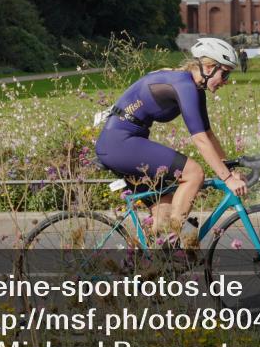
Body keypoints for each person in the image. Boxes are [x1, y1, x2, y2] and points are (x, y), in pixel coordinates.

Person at [95, 38, 246, 247]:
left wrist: (228, 167)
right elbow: (200, 140)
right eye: (225, 73)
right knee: (194, 173)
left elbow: (209, 134)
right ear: (210, 67)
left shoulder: (193, 88)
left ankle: (150, 265)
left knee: (164, 208)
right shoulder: (184, 86)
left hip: (122, 142)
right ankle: (178, 243)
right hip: (119, 143)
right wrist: (227, 179)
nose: (226, 80)